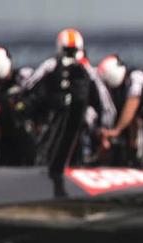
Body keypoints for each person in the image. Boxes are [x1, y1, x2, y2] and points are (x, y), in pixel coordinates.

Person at [22, 29, 115, 181]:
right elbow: (29, 87)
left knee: (74, 144)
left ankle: (74, 171)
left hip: (78, 122)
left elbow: (104, 102)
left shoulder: (86, 69)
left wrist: (103, 129)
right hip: (53, 119)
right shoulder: (52, 65)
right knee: (47, 147)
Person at [0, 46, 36, 166]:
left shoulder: (24, 77)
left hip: (28, 136)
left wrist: (15, 104)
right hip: (7, 142)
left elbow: (36, 101)